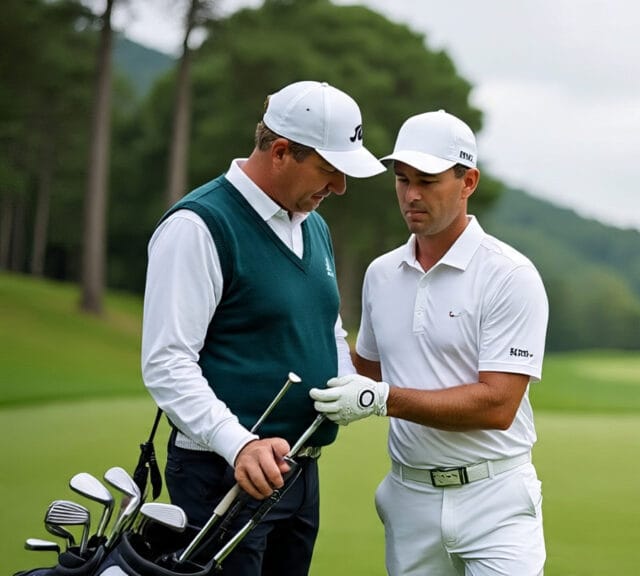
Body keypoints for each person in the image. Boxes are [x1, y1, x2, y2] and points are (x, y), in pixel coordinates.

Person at [141, 80, 385, 574]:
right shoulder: (199, 226)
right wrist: (240, 444)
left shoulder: (311, 222)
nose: (338, 187)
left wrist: (349, 383)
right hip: (220, 474)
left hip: (296, 473)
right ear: (280, 152)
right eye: (329, 170)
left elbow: (325, 327)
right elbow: (167, 364)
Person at [310, 110, 549, 575]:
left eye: (428, 180)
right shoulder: (381, 274)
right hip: (409, 498)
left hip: (495, 497)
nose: (411, 195)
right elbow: (368, 372)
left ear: (468, 182)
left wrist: (384, 400)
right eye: (402, 180)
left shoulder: (509, 275)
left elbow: (498, 404)